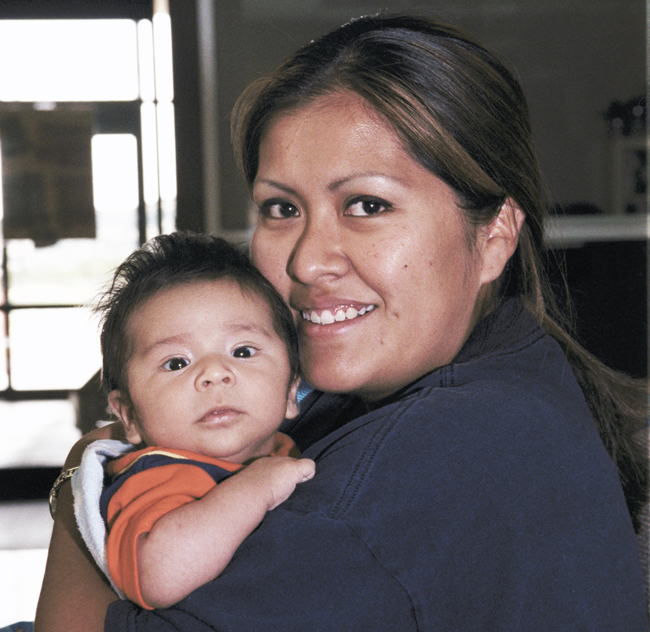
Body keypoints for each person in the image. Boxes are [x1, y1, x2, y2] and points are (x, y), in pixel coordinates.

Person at [35, 14, 648, 631]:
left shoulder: (431, 458)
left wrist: (81, 482)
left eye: (367, 205)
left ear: (494, 236)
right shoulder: (489, 375)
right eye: (282, 208)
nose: (305, 259)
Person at [72, 232, 315, 610]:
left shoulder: (289, 449)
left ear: (289, 392)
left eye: (243, 351)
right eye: (177, 363)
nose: (215, 374)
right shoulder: (156, 477)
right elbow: (160, 576)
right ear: (129, 415)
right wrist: (257, 489)